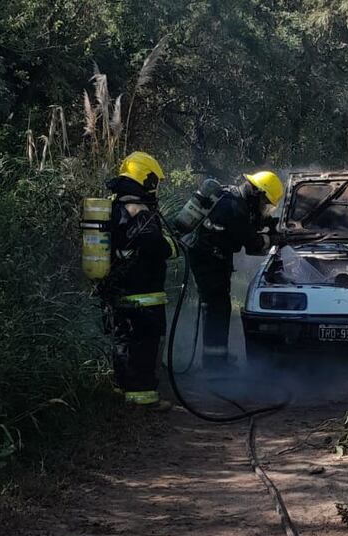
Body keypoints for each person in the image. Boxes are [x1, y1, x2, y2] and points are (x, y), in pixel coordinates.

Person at [102, 151, 178, 409]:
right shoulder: (138, 209)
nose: (156, 188)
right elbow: (151, 243)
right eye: (155, 181)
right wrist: (171, 247)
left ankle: (123, 389)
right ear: (146, 180)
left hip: (118, 287)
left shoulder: (114, 206)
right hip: (143, 291)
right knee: (145, 342)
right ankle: (143, 397)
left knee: (124, 340)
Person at [187, 171, 283, 369]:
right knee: (217, 309)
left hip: (211, 259)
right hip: (208, 262)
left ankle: (216, 359)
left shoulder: (232, 197)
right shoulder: (234, 208)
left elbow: (250, 222)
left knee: (218, 307)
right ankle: (214, 364)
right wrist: (273, 239)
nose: (265, 207)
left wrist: (269, 222)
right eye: (265, 202)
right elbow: (253, 244)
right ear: (256, 193)